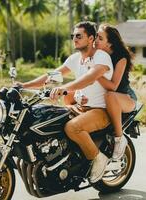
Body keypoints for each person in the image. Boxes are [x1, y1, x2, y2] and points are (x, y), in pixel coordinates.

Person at [18, 21, 113, 183]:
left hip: (101, 110)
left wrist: (64, 89)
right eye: (73, 36)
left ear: (91, 38)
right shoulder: (76, 58)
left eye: (78, 36)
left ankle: (98, 159)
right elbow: (52, 75)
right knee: (48, 119)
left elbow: (89, 79)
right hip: (81, 107)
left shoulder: (101, 57)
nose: (74, 39)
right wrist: (23, 85)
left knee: (72, 127)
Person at [95, 24, 137, 160]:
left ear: (110, 43)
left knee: (110, 95)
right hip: (104, 99)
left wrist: (94, 74)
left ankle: (119, 139)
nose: (96, 40)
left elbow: (113, 87)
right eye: (96, 37)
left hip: (125, 98)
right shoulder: (96, 55)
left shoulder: (121, 58)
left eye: (100, 38)